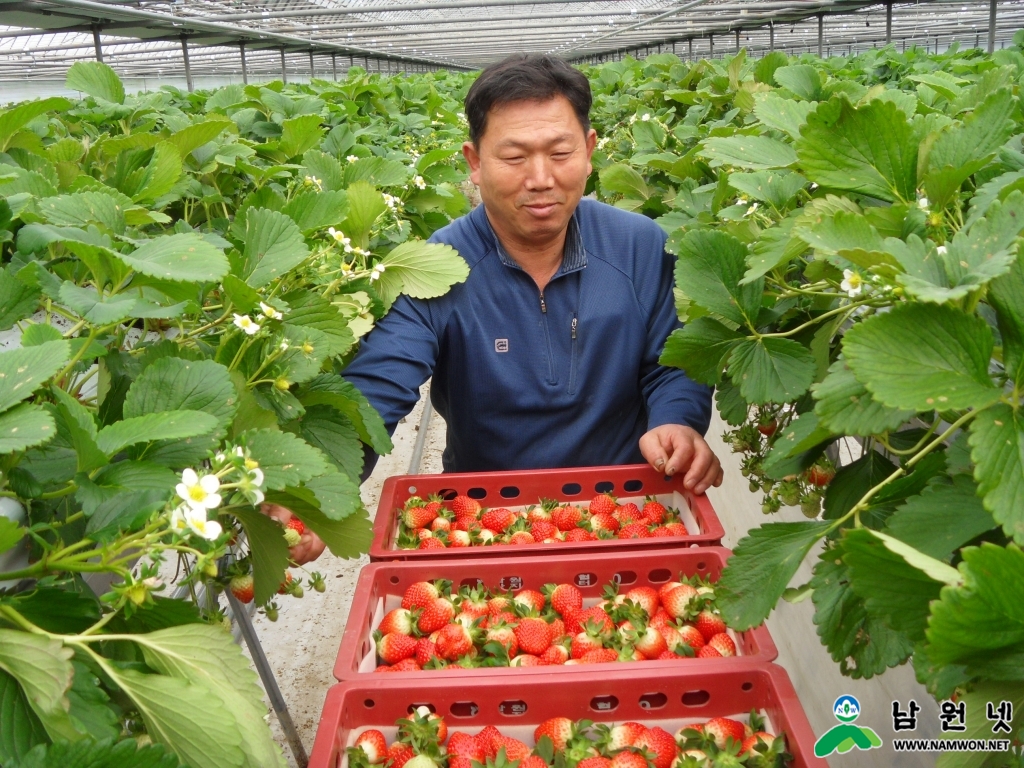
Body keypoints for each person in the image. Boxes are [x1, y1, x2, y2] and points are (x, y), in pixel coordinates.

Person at [272, 54, 723, 564]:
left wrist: (678, 421)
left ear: (590, 150)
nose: (540, 178)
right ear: (474, 161)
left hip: (624, 511)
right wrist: (316, 490)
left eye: (560, 152)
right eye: (513, 158)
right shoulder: (436, 267)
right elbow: (379, 386)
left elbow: (671, 360)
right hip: (483, 523)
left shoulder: (639, 245)